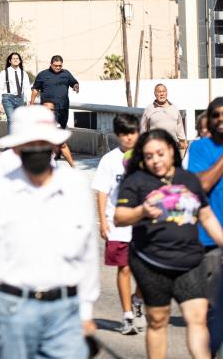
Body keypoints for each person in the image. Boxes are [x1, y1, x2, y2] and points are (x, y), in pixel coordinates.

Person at [0, 105, 99, 358]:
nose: (37, 151)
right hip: (14, 309)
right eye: (30, 144)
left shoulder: (75, 187)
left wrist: (85, 311)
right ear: (17, 148)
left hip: (66, 309)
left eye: (44, 143)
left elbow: (87, 252)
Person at [116, 129, 223, 359]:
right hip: (151, 262)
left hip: (190, 261)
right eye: (149, 156)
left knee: (197, 318)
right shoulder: (135, 181)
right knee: (158, 320)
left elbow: (206, 217)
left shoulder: (189, 180)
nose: (156, 160)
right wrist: (141, 210)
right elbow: (120, 216)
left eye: (160, 153)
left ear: (171, 152)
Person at [91, 114, 145, 336]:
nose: (129, 138)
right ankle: (127, 316)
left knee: (145, 271)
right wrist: (103, 221)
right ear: (117, 135)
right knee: (124, 268)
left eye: (133, 133)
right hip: (118, 224)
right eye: (124, 134)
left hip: (143, 224)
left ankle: (138, 298)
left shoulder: (146, 157)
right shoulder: (109, 160)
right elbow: (102, 191)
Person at [183, 96, 223, 353]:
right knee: (212, 315)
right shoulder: (199, 148)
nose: (221, 120)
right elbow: (203, 185)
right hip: (211, 245)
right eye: (216, 115)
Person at [30, 55, 79, 129]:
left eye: (60, 65)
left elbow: (74, 82)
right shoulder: (42, 74)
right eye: (55, 65)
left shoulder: (66, 73)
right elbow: (35, 89)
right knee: (50, 129)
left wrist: (76, 86)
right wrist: (32, 103)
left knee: (62, 129)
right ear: (51, 64)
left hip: (63, 108)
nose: (58, 67)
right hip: (49, 108)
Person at [140, 83, 188, 151]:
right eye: (159, 92)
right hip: (155, 147)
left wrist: (183, 140)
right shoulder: (149, 109)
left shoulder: (174, 108)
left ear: (166, 93)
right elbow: (143, 130)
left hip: (173, 146)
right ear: (155, 94)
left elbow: (179, 125)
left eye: (163, 91)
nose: (162, 94)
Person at [0, 52, 30, 131]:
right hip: (8, 98)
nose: (15, 60)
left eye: (17, 58)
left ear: (20, 61)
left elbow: (27, 87)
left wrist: (28, 100)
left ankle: (17, 140)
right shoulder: (4, 73)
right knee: (11, 119)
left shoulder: (23, 73)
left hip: (20, 98)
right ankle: (11, 142)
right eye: (13, 58)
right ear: (10, 61)